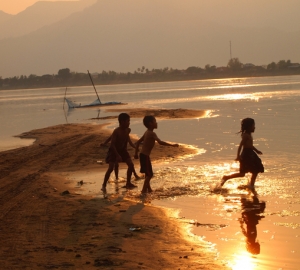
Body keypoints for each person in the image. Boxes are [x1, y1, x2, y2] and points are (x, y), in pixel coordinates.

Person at [135, 115, 179, 194]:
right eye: (155, 121)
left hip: (143, 155)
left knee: (147, 174)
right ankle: (143, 191)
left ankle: (149, 189)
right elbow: (160, 142)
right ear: (150, 123)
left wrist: (135, 153)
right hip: (145, 156)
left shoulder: (146, 132)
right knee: (149, 175)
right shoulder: (152, 133)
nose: (156, 123)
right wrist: (172, 145)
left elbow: (138, 142)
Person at [220, 118, 264, 188]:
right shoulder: (245, 135)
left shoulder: (249, 135)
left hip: (251, 153)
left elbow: (250, 146)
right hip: (246, 155)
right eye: (253, 125)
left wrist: (257, 151)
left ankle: (251, 185)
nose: (254, 127)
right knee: (242, 174)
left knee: (256, 170)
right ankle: (226, 177)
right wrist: (238, 156)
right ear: (249, 127)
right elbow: (241, 145)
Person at [101, 113, 137, 191]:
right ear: (122, 122)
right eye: (128, 121)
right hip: (114, 151)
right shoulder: (116, 131)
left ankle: (128, 183)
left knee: (131, 165)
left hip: (123, 150)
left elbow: (128, 140)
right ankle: (103, 185)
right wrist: (117, 155)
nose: (129, 123)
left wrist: (135, 147)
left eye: (129, 121)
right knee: (110, 168)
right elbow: (112, 145)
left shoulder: (128, 130)